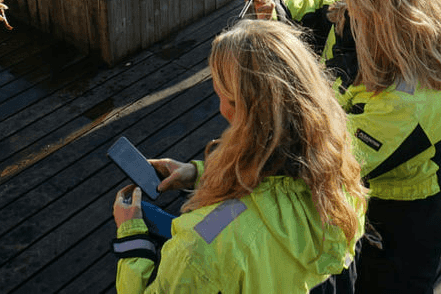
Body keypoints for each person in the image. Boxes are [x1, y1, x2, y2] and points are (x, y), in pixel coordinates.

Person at [111, 20, 368, 293]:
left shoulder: (202, 242)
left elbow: (226, 228)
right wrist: (200, 174)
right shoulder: (341, 179)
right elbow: (272, 196)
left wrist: (131, 235)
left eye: (221, 93)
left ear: (242, 109)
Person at [333, 0, 441, 294]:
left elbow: (331, 160)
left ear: (377, 2)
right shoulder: (422, 42)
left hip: (404, 219)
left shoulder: (409, 99)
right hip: (402, 192)